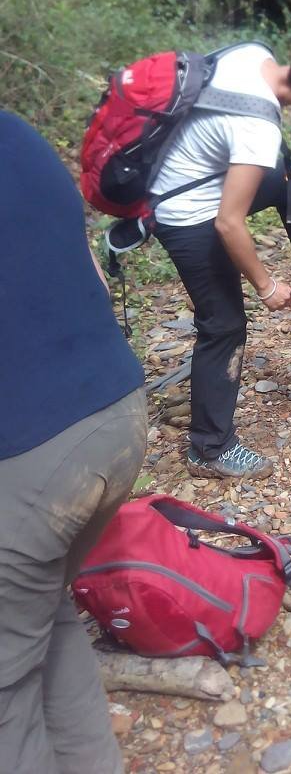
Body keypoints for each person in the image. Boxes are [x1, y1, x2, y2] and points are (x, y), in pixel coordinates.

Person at [150, 34, 291, 481]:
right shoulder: (258, 126)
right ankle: (209, 449)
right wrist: (266, 286)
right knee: (224, 325)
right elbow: (228, 224)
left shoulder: (254, 55)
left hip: (195, 178)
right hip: (184, 211)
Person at [0, 110, 148, 774]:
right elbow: (86, 269)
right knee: (44, 616)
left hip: (32, 455)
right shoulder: (15, 131)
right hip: (117, 410)